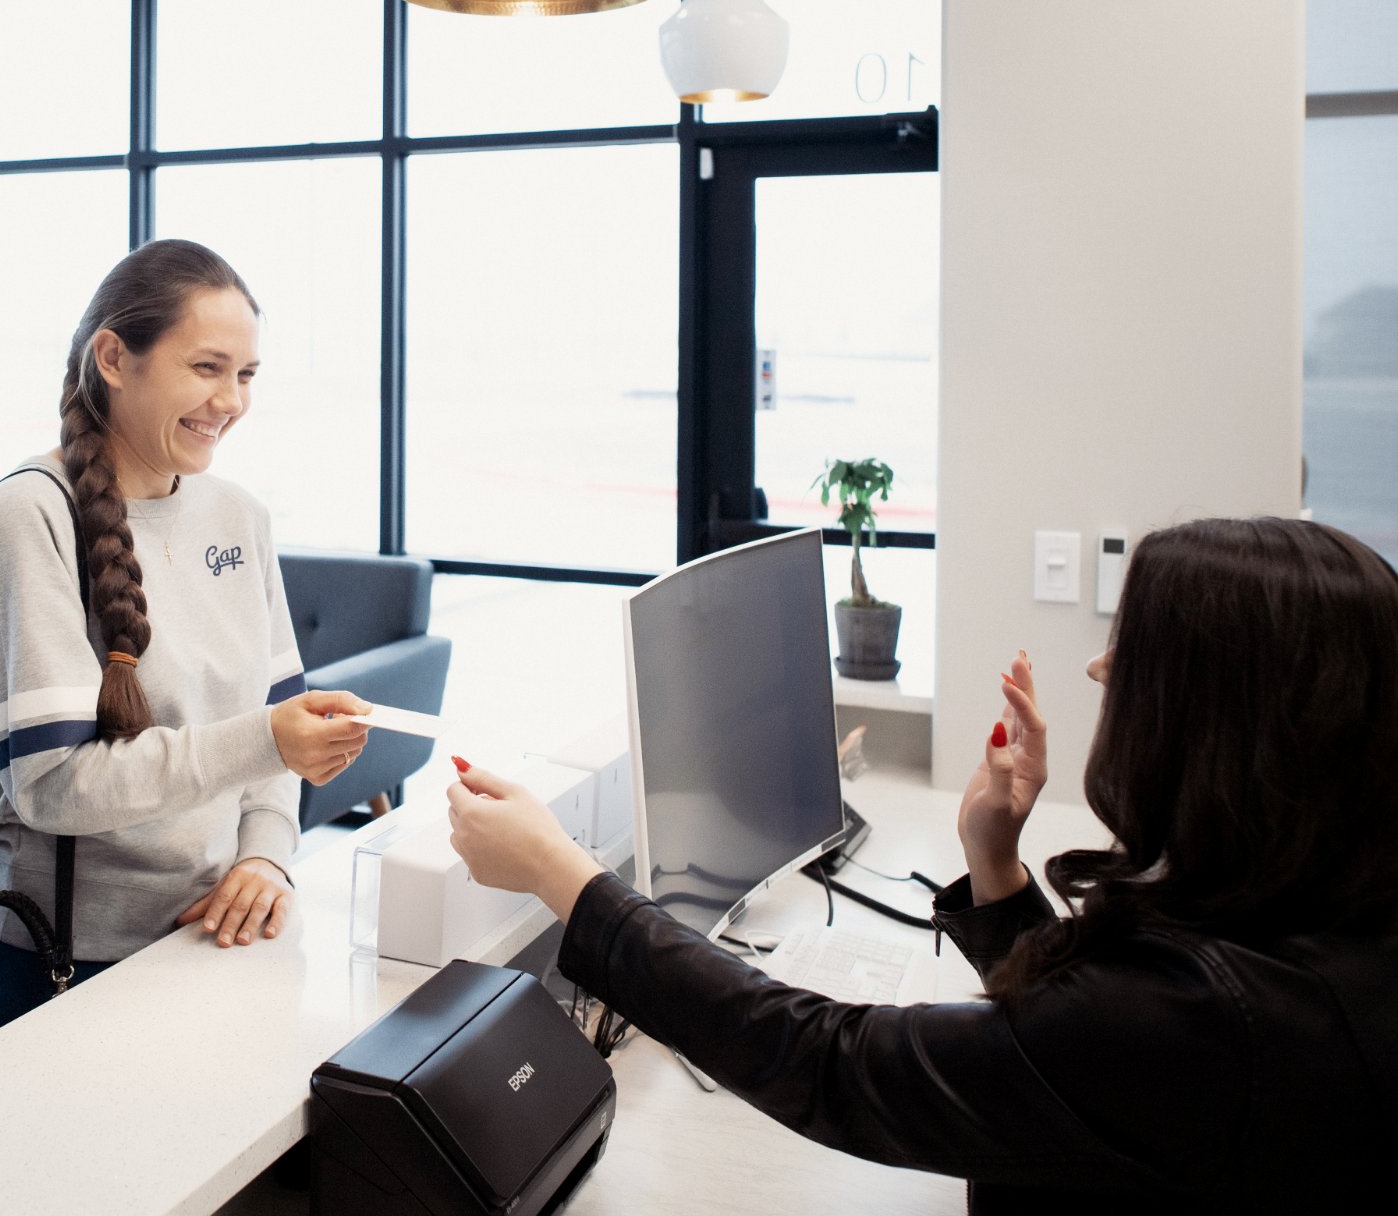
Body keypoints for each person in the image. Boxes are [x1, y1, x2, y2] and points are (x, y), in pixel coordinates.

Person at [446, 517, 1398, 1212]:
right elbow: (1073, 1067)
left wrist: (563, 878)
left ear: (1220, 727)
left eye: (1133, 651)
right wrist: (996, 868)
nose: (1102, 670)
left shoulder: (1197, 1021)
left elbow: (834, 1067)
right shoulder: (1315, 938)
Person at [0, 239, 371, 1026]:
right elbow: (52, 787)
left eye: (246, 375)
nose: (230, 401)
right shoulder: (32, 514)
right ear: (112, 357)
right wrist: (267, 739)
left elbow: (277, 727)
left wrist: (266, 854)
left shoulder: (241, 515)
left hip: (220, 940)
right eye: (206, 368)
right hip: (69, 968)